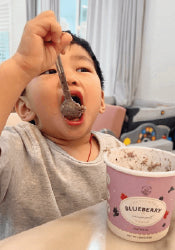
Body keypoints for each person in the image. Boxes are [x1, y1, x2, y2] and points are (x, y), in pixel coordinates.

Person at [0, 11, 123, 240]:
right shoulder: (19, 147)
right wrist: (21, 66)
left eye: (83, 69)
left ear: (102, 101)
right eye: (49, 71)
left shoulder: (118, 154)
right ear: (25, 108)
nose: (69, 78)